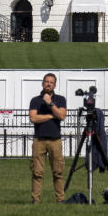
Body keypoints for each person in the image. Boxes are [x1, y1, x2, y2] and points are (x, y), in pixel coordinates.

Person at [28, 72, 67, 204]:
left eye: (51, 82)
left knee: (58, 172)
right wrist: (51, 116)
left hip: (55, 140)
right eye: (46, 81)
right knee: (37, 172)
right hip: (39, 140)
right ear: (42, 83)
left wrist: (50, 104)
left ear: (55, 85)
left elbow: (62, 116)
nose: (48, 84)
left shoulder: (60, 99)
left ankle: (60, 199)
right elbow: (33, 118)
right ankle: (35, 200)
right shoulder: (35, 100)